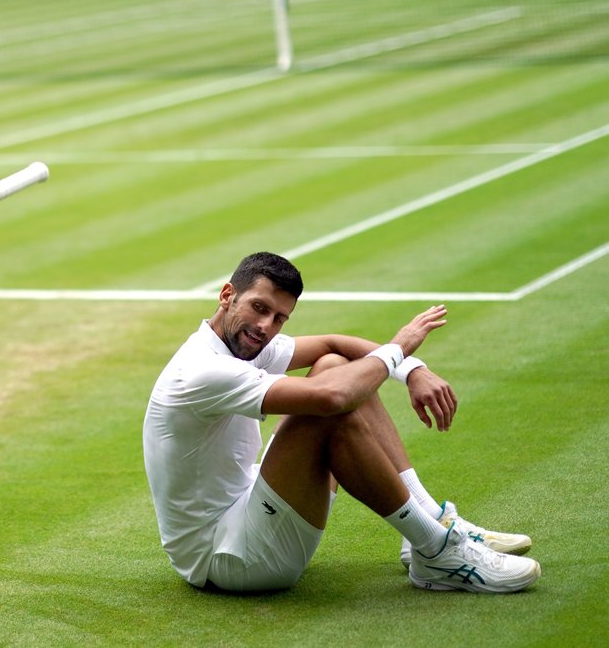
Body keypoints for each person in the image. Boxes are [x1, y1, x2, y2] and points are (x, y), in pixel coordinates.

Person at [142, 252, 538, 594]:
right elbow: (332, 399)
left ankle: (429, 518)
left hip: (244, 511)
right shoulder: (199, 371)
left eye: (280, 318)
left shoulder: (242, 343)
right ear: (227, 296)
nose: (266, 327)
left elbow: (333, 346)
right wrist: (400, 347)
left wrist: (414, 369)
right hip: (229, 560)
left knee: (333, 366)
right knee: (330, 410)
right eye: (259, 308)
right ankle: (436, 550)